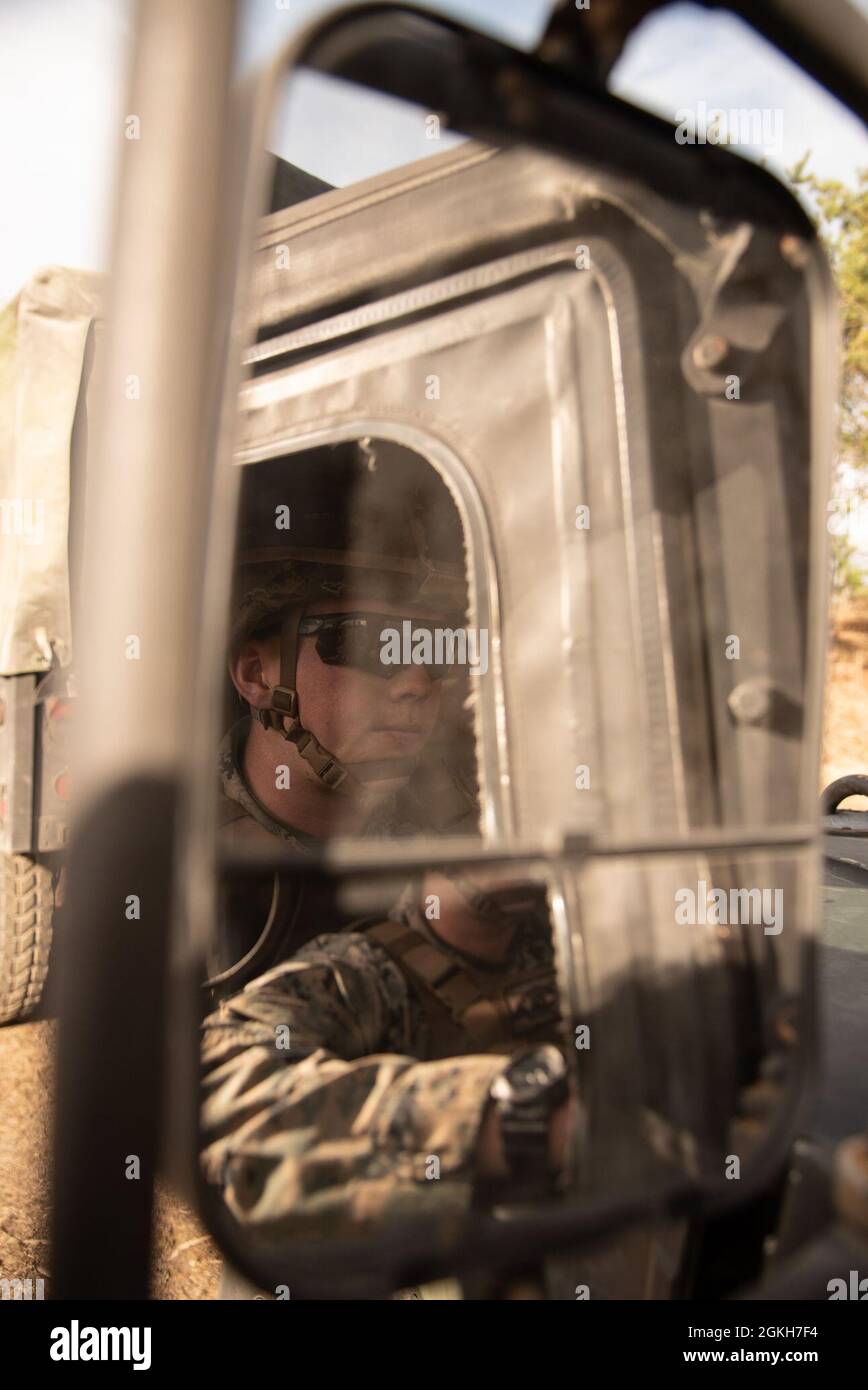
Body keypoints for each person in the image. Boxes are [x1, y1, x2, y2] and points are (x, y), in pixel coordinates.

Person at [201, 439, 572, 1268]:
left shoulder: (475, 820)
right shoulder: (177, 860)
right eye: (368, 644)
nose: (415, 683)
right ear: (258, 675)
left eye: (436, 651)